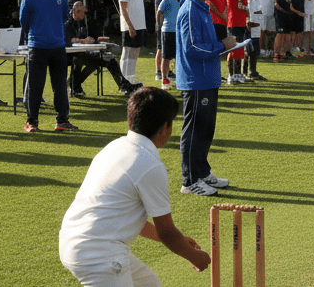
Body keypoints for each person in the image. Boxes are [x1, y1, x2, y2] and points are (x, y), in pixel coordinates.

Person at [59, 87, 211, 285]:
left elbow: (126, 218)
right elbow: (167, 233)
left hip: (74, 240)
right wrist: (195, 256)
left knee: (149, 284)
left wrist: (183, 241)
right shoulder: (150, 165)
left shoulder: (115, 147)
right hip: (98, 254)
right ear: (165, 127)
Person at [176, 0, 239, 195]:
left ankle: (202, 172)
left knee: (205, 129)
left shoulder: (201, 7)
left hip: (207, 78)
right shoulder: (190, 9)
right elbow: (192, 47)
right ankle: (189, 180)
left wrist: (222, 45)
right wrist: (222, 46)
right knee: (194, 131)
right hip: (196, 80)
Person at [19, 0, 78, 133]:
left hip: (38, 46)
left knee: (36, 86)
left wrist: (36, 31)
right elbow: (65, 17)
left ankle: (32, 122)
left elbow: (24, 22)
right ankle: (61, 120)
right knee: (58, 85)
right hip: (55, 45)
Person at [67, 1, 142, 96]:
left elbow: (94, 38)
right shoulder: (69, 25)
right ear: (75, 11)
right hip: (73, 55)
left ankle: (125, 86)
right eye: (81, 12)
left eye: (84, 12)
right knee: (77, 61)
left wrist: (100, 39)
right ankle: (75, 87)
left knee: (109, 59)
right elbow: (69, 40)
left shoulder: (86, 23)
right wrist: (83, 41)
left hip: (87, 54)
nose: (83, 14)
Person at [118, 0, 147, 84]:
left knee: (135, 52)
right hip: (129, 25)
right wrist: (130, 26)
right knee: (127, 52)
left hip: (140, 24)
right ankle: (123, 80)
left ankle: (131, 77)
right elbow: (123, 8)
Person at [156, 0, 185, 90]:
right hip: (168, 32)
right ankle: (164, 79)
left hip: (179, 31)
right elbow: (159, 12)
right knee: (166, 57)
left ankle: (179, 79)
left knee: (179, 56)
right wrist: (160, 26)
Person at [225, 0, 250, 83]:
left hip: (242, 23)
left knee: (240, 49)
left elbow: (245, 7)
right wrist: (245, 8)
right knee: (234, 49)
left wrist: (245, 8)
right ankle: (231, 75)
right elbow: (235, 9)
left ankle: (238, 74)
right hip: (233, 24)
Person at [207, 0, 229, 78]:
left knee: (219, 51)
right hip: (212, 22)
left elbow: (224, 5)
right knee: (212, 50)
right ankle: (210, 74)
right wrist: (222, 16)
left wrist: (226, 18)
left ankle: (216, 74)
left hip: (222, 23)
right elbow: (209, 4)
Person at [154, 0, 173, 82]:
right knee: (160, 49)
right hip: (161, 25)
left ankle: (166, 69)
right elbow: (161, 11)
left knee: (167, 49)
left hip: (168, 25)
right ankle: (158, 71)